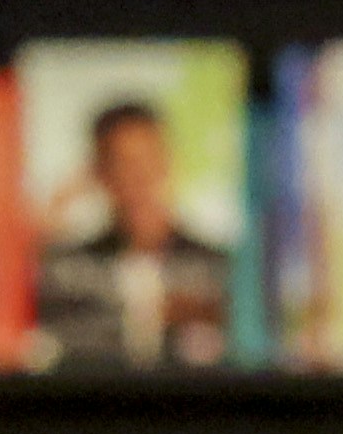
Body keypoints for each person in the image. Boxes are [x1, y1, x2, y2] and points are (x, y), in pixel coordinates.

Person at [35, 94, 243, 365]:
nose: (139, 177)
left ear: (169, 161)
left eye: (149, 159)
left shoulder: (219, 266)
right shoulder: (68, 271)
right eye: (123, 163)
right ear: (99, 172)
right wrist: (50, 218)